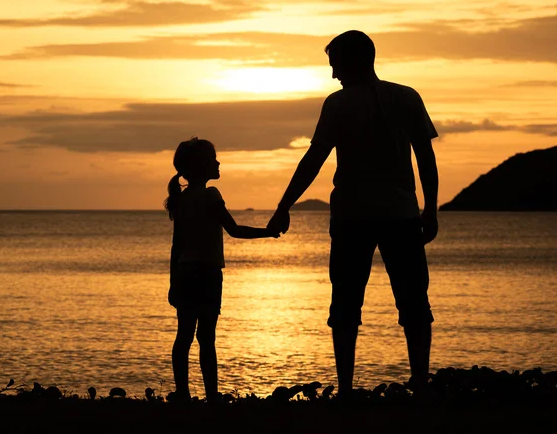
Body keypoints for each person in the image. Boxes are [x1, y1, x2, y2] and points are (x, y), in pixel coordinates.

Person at [268, 30, 439, 397]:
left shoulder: (340, 104)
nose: (333, 75)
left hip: (355, 216)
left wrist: (284, 206)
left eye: (336, 65)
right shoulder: (406, 97)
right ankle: (419, 384)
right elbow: (426, 158)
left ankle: (347, 389)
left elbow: (314, 159)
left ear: (357, 60)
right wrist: (431, 208)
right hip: (398, 214)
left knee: (348, 302)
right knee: (411, 301)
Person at [165, 137, 280, 402]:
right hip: (206, 275)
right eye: (212, 159)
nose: (218, 163)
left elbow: (176, 247)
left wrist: (173, 282)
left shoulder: (181, 200)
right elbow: (235, 230)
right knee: (206, 338)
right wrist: (268, 232)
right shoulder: (211, 195)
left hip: (185, 274)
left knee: (184, 336)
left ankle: (182, 393)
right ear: (200, 166)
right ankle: (211, 395)